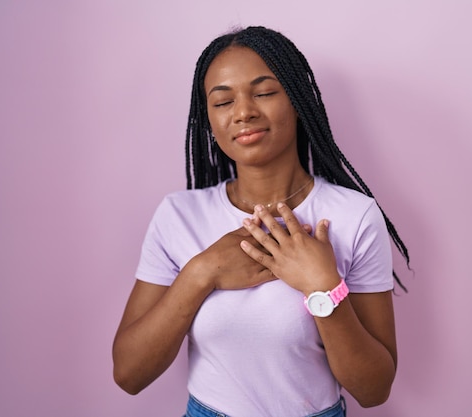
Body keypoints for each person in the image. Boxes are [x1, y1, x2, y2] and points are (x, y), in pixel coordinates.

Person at [112, 26, 409, 417]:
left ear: (298, 101)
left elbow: (374, 390)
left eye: (265, 92)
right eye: (222, 102)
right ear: (208, 122)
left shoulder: (354, 216)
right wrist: (202, 272)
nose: (244, 112)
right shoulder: (178, 215)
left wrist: (323, 288)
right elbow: (129, 374)